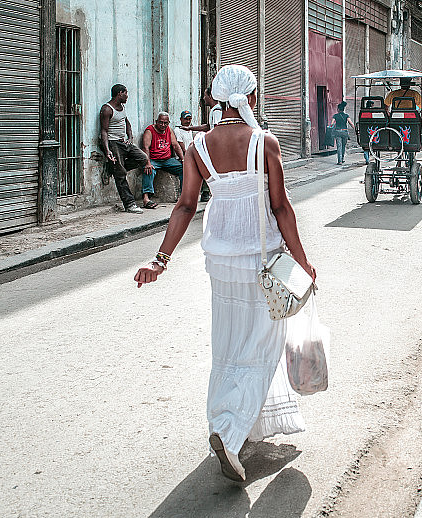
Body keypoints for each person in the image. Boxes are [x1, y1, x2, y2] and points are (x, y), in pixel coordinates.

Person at [133, 64, 315, 482]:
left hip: (220, 262)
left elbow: (184, 206)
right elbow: (281, 207)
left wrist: (159, 260)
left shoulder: (197, 145)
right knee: (262, 348)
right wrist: (303, 262)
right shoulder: (264, 142)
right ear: (250, 98)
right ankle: (230, 436)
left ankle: (230, 423)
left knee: (229, 346)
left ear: (216, 99)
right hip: (262, 260)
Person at [100, 84, 148, 214]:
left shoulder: (122, 107)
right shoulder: (107, 109)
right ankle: (129, 204)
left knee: (143, 158)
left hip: (124, 142)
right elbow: (104, 131)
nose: (127, 96)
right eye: (126, 93)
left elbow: (127, 123)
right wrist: (107, 150)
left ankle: (113, 168)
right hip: (113, 143)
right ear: (119, 93)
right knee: (120, 175)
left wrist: (130, 137)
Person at [140, 112, 185, 207]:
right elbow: (145, 148)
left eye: (165, 123)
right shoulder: (150, 130)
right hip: (154, 159)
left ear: (168, 123)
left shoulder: (169, 130)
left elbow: (175, 145)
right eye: (160, 122)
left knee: (184, 169)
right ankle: (146, 199)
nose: (163, 125)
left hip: (167, 160)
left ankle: (183, 196)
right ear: (156, 122)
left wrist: (183, 160)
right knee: (149, 170)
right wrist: (147, 163)